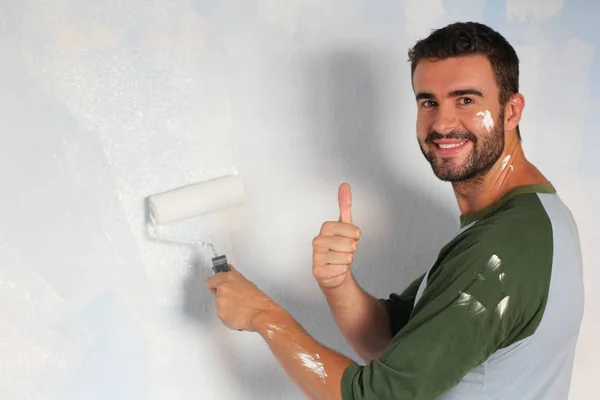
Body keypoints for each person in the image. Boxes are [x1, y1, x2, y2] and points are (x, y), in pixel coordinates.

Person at [206, 21, 585, 399]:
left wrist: (265, 317)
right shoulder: (532, 216)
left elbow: (377, 396)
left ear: (512, 110)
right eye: (428, 102)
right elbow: (392, 341)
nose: (442, 123)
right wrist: (338, 283)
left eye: (466, 100)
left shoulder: (501, 246)